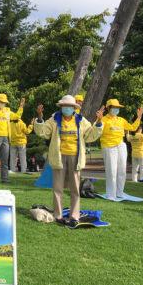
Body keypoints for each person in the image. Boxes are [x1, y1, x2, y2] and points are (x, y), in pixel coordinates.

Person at [34, 95, 104, 227]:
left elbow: (90, 135)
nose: (67, 108)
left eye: (70, 106)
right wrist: (39, 117)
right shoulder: (54, 119)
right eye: (65, 106)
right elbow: (43, 132)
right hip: (59, 157)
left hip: (75, 157)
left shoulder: (81, 120)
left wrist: (99, 122)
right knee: (57, 188)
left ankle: (74, 215)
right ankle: (58, 215)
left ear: (74, 108)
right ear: (61, 107)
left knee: (75, 189)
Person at [101, 99, 143, 200]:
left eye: (117, 108)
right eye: (114, 107)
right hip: (109, 146)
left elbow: (132, 128)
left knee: (122, 170)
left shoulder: (121, 120)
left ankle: (120, 192)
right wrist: (98, 120)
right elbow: (96, 130)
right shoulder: (103, 119)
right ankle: (111, 194)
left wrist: (139, 117)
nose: (116, 109)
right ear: (108, 108)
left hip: (120, 145)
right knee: (111, 171)